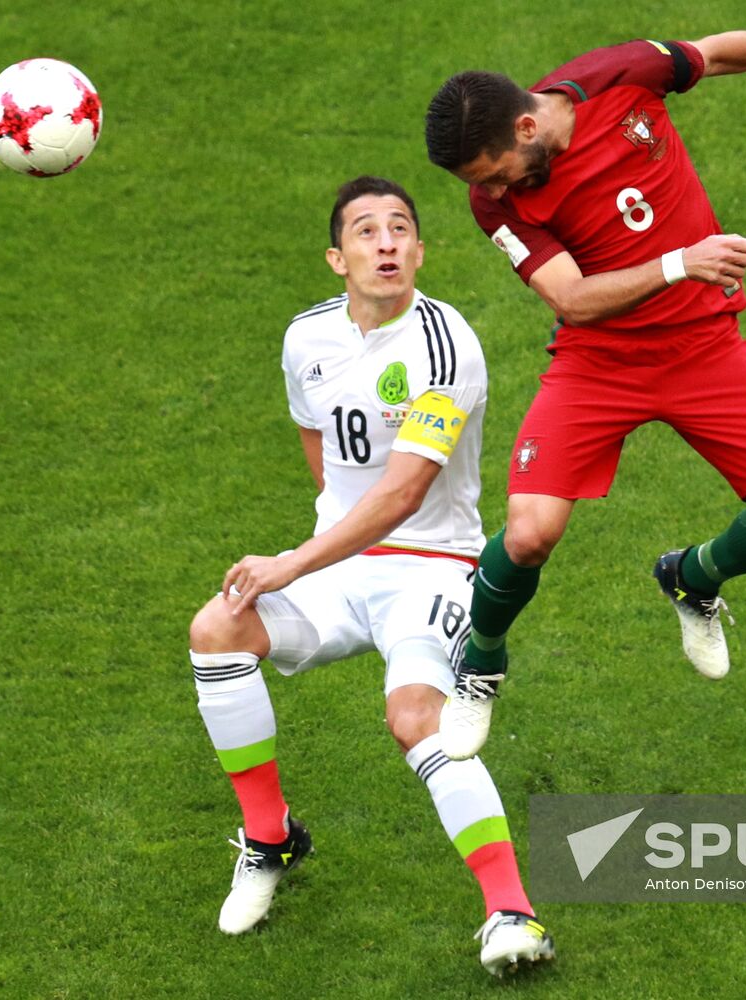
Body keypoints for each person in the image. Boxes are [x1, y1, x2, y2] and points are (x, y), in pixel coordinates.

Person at [424, 26, 746, 757]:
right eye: (481, 183)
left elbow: (713, 53)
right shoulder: (495, 203)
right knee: (531, 532)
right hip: (597, 364)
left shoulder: (618, 77)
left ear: (526, 124)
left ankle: (690, 577)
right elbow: (570, 301)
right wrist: (678, 263)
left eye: (499, 171)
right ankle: (479, 658)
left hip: (704, 349)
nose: (493, 191)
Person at [186, 176, 553, 977]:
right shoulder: (305, 338)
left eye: (399, 230)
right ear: (336, 257)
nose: (384, 243)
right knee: (217, 629)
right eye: (365, 231)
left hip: (435, 569)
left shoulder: (445, 343)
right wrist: (317, 553)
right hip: (339, 565)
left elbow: (400, 496)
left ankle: (511, 912)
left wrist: (289, 562)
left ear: (420, 252)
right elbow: (325, 466)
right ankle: (269, 837)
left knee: (416, 717)